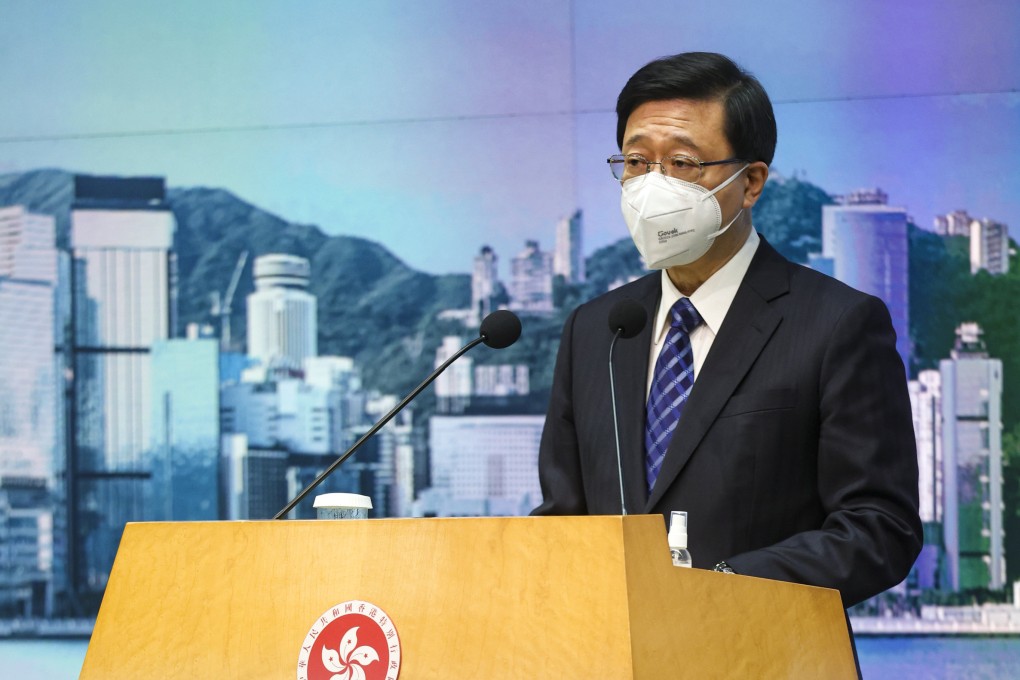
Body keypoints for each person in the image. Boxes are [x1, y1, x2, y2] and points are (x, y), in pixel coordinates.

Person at [532, 52, 921, 610]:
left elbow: (879, 527)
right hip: (613, 648)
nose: (653, 186)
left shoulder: (836, 324)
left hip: (763, 645)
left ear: (751, 182)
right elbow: (562, 519)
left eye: (683, 163)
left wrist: (720, 585)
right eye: (637, 162)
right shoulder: (597, 330)